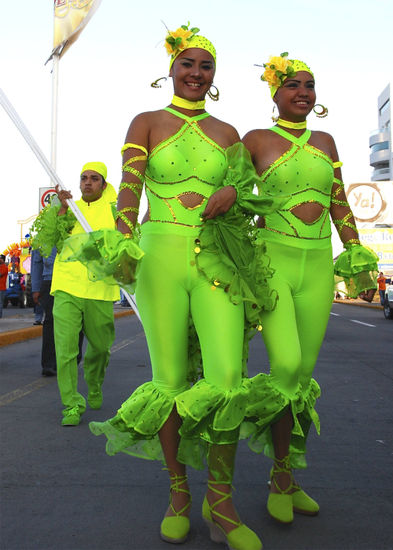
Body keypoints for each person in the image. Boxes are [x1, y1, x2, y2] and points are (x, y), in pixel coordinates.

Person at [89, 24, 265, 550]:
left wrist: (235, 189)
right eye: (187, 64)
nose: (195, 73)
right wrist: (123, 238)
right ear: (171, 69)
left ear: (214, 77)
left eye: (205, 66)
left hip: (216, 258)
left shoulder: (230, 133)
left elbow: (248, 188)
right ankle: (179, 493)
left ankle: (221, 499)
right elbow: (129, 188)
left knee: (228, 377)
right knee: (167, 379)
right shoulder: (146, 121)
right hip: (161, 259)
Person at [242, 53, 378, 525]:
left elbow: (339, 199)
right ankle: (280, 476)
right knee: (286, 365)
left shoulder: (326, 140)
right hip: (274, 262)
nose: (303, 92)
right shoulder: (255, 140)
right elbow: (240, 197)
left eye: (310, 85)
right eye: (293, 85)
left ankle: (285, 474)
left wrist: (355, 250)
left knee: (301, 379)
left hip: (319, 266)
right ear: (274, 93)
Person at [32, 163, 120, 426]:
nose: (88, 183)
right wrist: (60, 210)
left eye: (94, 179)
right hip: (67, 286)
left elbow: (126, 243)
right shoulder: (68, 209)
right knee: (66, 349)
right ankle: (71, 404)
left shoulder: (114, 210)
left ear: (103, 184)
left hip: (100, 289)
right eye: (84, 178)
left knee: (101, 348)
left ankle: (94, 381)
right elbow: (48, 241)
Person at [0, 254, 8, 318]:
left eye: (0, 258)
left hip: (1, 288)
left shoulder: (4, 267)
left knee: (0, 303)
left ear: (3, 260)